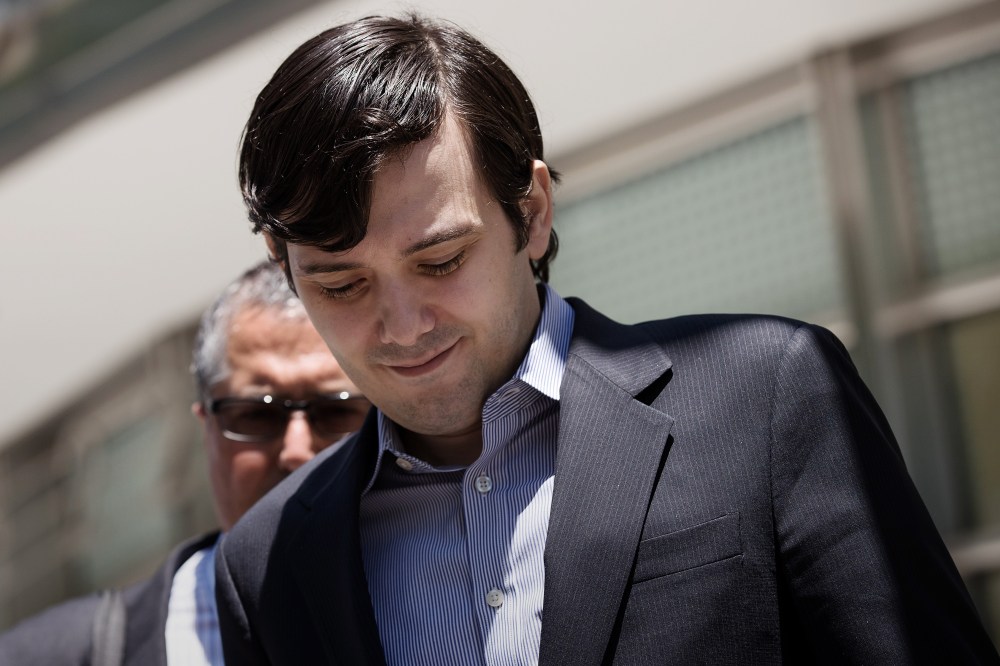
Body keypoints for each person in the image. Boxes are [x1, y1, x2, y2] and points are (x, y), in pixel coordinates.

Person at [215, 14, 1000, 665]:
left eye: (441, 260)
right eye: (341, 285)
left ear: (532, 213)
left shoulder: (768, 397)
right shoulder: (266, 567)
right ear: (284, 268)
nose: (403, 324)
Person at [0, 261, 370, 665]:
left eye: (336, 413)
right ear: (205, 428)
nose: (296, 450)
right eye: (255, 415)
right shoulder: (44, 656)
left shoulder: (442, 613)